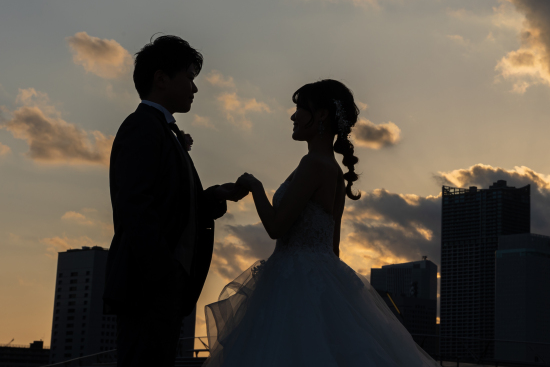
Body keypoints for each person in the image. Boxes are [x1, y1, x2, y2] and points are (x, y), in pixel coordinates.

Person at [204, 79, 439, 366]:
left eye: (300, 108)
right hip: (319, 277)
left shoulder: (313, 164)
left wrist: (255, 186)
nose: (293, 117)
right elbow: (333, 247)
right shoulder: (333, 170)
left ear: (322, 115)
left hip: (293, 281)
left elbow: (276, 227)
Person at [103, 35, 248, 367]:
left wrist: (215, 196)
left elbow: (173, 205)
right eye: (190, 78)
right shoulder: (142, 127)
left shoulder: (159, 130)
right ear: (161, 79)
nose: (195, 88)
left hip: (159, 289)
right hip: (148, 289)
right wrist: (164, 273)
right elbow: (135, 206)